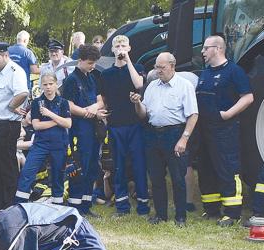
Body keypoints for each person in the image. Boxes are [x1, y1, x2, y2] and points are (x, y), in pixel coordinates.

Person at [132, 52, 199, 225]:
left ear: (172, 66)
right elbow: (143, 114)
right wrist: (137, 103)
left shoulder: (184, 85)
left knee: (178, 178)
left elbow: (193, 115)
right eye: (156, 67)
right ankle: (160, 215)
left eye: (162, 67)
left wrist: (184, 139)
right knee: (156, 178)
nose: (158, 70)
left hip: (175, 133)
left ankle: (180, 216)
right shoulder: (152, 86)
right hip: (153, 134)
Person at [195, 35, 254, 226]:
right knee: (206, 167)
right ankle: (211, 209)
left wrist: (228, 114)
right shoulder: (205, 73)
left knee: (227, 168)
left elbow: (248, 97)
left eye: (205, 48)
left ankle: (232, 212)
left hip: (224, 129)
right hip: (204, 129)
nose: (202, 52)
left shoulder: (234, 71)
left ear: (218, 49)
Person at [101, 35, 149, 216]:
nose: (120, 48)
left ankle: (143, 205)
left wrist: (127, 59)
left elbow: (138, 84)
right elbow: (104, 100)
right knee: (118, 166)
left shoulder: (137, 68)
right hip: (115, 126)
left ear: (129, 48)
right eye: (117, 45)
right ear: (112, 49)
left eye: (123, 45)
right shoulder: (106, 74)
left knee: (139, 165)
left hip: (135, 124)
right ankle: (122, 206)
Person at [0, 42, 30, 210]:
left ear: (5, 55)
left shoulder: (15, 71)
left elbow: (23, 93)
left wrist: (11, 107)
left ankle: (10, 203)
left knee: (7, 165)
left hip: (6, 124)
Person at [61, 44, 106, 214]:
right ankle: (75, 206)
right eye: (89, 63)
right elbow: (69, 105)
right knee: (79, 167)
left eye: (94, 62)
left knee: (92, 167)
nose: (92, 66)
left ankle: (86, 205)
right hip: (79, 130)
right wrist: (89, 112)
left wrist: (95, 108)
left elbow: (100, 99)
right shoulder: (72, 80)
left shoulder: (92, 77)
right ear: (80, 60)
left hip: (93, 129)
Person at [14, 73, 71, 204]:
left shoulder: (63, 103)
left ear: (56, 84)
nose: (48, 87)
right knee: (27, 172)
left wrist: (50, 114)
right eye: (45, 84)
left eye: (51, 84)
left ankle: (58, 204)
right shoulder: (36, 103)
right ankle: (19, 204)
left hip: (59, 144)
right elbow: (37, 125)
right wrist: (57, 121)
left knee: (58, 175)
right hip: (40, 143)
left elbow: (68, 123)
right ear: (41, 86)